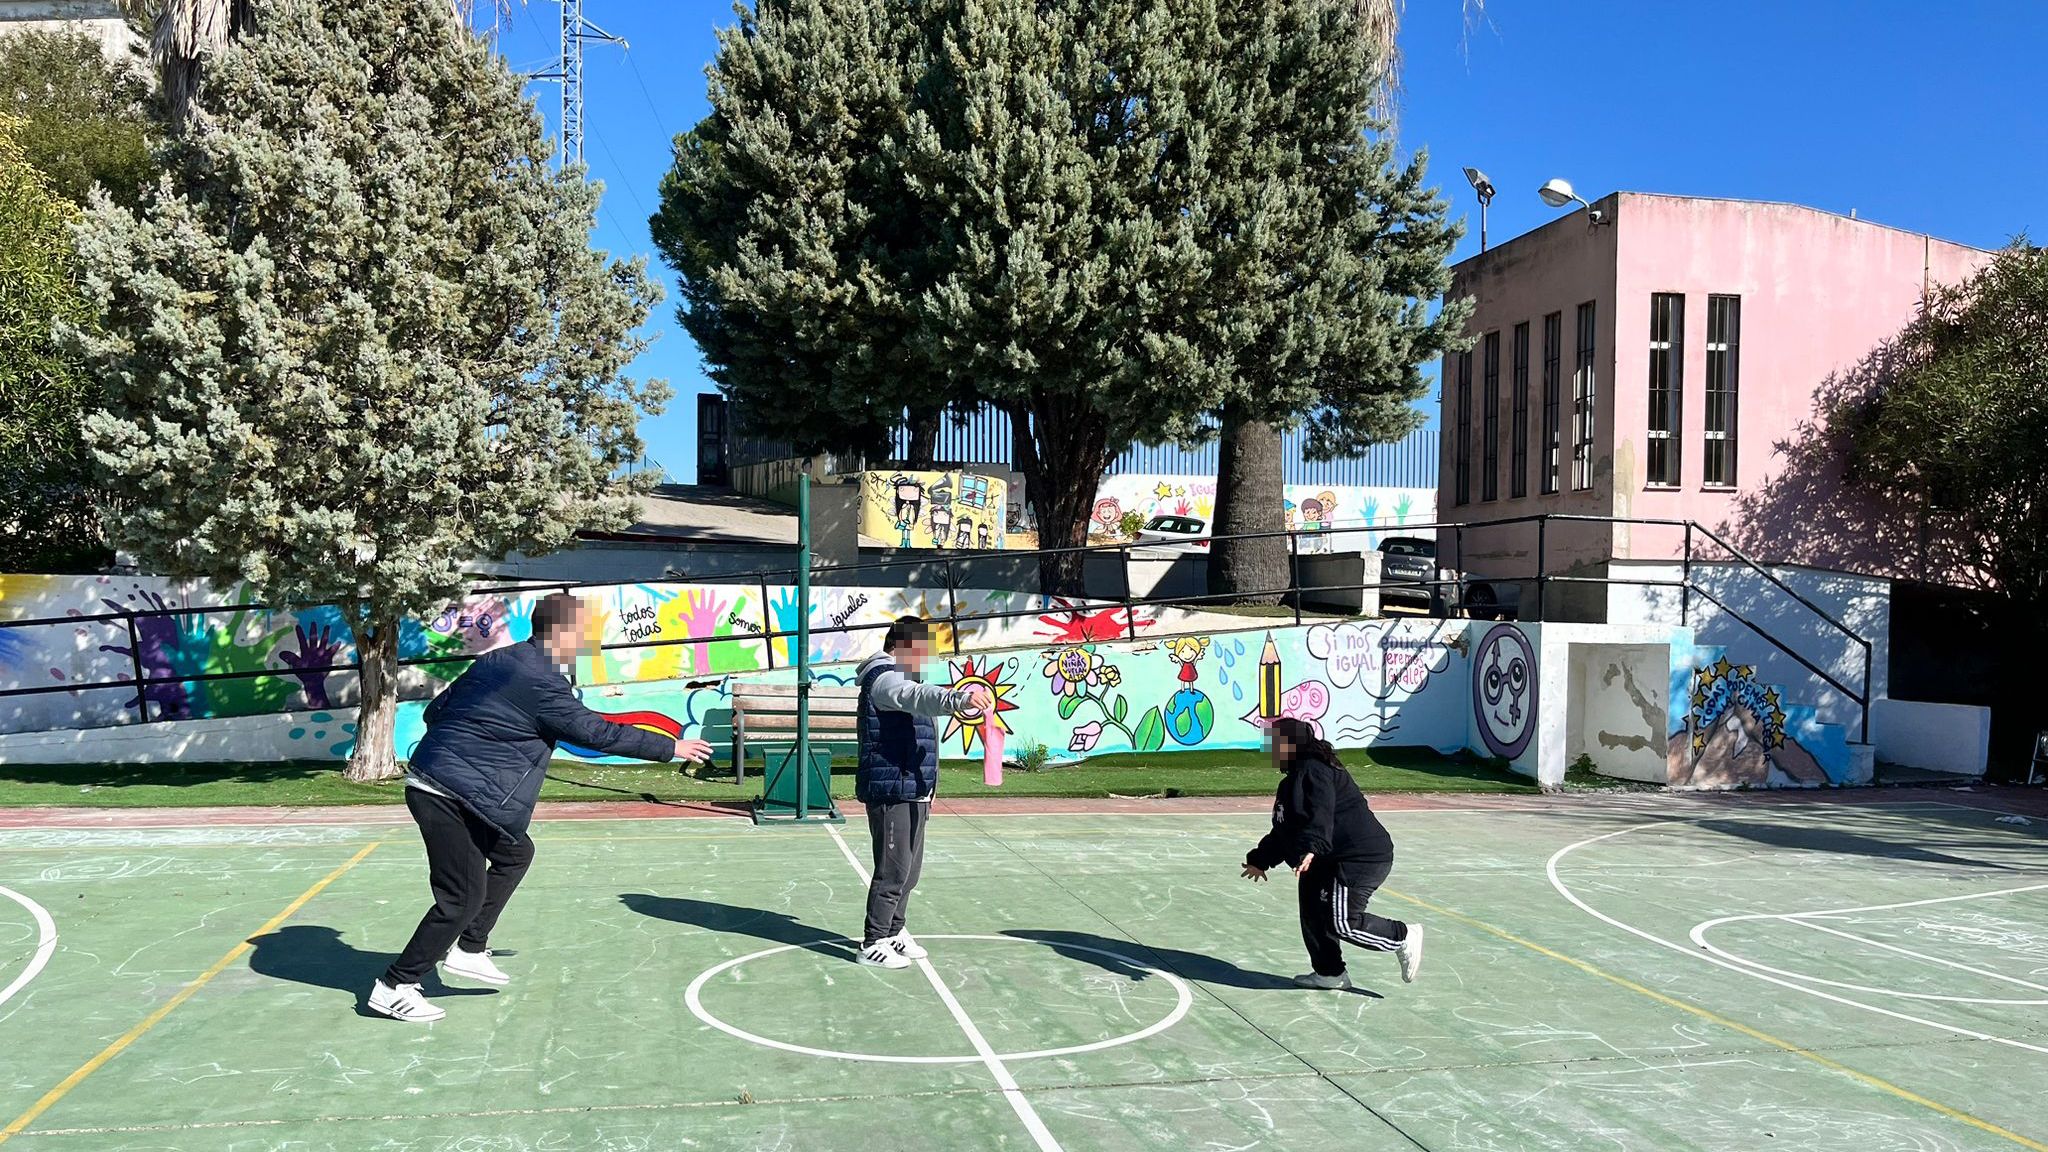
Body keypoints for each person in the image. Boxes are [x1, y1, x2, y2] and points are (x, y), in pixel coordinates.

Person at [369, 592, 712, 1022]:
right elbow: (595, 733)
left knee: (515, 852)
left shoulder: (498, 660)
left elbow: (435, 711)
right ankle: (395, 985)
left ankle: (469, 948)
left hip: (450, 783)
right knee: (462, 897)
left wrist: (475, 742)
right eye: (586, 634)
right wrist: (670, 747)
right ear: (562, 633)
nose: (590, 643)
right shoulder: (542, 680)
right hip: (446, 793)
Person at [1242, 716, 1423, 990]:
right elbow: (1285, 830)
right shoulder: (1291, 782)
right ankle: (1330, 973)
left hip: (1358, 856)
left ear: (1290, 745)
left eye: (1273, 744)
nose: (1268, 751)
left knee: (1343, 922)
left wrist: (1312, 847)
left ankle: (1402, 936)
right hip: (1326, 856)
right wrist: (1261, 860)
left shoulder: (1315, 770)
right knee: (1313, 911)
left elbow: (1321, 812)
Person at [853, 616, 992, 969]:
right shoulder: (884, 678)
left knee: (909, 873)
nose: (929, 657)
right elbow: (917, 696)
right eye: (924, 649)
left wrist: (929, 788)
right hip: (892, 791)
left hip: (914, 790)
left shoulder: (905, 677)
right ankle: (873, 941)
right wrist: (959, 699)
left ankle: (894, 931)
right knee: (892, 871)